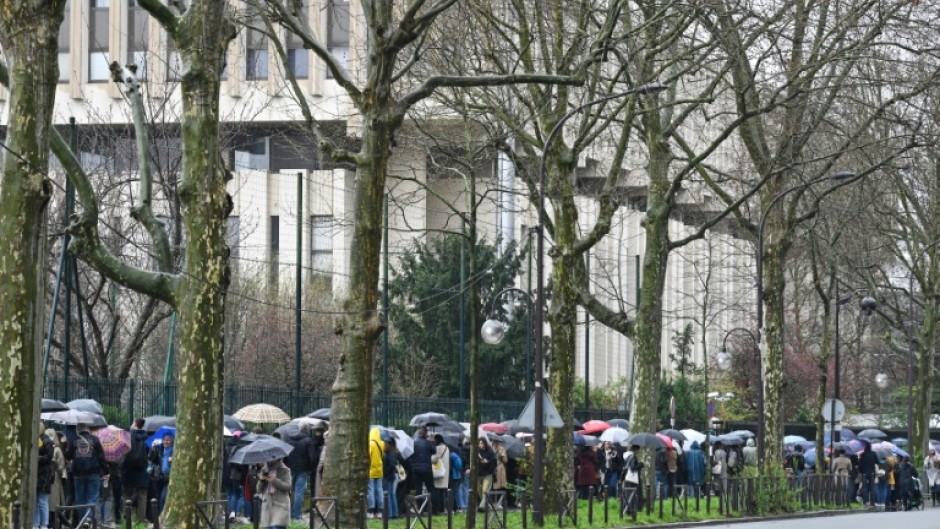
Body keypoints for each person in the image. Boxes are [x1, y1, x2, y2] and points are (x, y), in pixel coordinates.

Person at [66, 422, 108, 522]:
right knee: (92, 498)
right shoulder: (95, 439)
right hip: (93, 472)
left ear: (77, 431)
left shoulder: (74, 440)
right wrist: (106, 470)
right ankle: (88, 520)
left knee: (80, 499)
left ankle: (82, 522)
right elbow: (102, 457)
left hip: (78, 473)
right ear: (87, 429)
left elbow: (68, 456)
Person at [284, 423, 317, 521]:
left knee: (288, 492)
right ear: (307, 430)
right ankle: (296, 514)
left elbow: (285, 454)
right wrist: (311, 468)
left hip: (290, 468)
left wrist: (286, 465)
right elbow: (312, 457)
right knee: (299, 492)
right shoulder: (308, 440)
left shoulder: (288, 439)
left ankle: (287, 513)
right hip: (303, 469)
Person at [123, 419, 151, 525]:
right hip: (143, 470)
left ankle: (127, 519)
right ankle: (141, 520)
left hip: (128, 470)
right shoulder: (147, 438)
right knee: (142, 496)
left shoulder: (127, 436)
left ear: (134, 424)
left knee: (126, 494)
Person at [257, 458, 292, 529]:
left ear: (277, 458)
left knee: (277, 526)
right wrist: (261, 480)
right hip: (267, 505)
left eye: (272, 458)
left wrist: (274, 480)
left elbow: (288, 487)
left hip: (280, 504)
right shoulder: (264, 470)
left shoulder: (285, 470)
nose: (269, 460)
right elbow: (258, 490)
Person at [148, 434, 174, 517]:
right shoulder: (159, 449)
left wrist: (173, 460)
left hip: (168, 478)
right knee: (157, 498)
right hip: (158, 477)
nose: (166, 442)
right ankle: (157, 518)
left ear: (171, 441)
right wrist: (152, 448)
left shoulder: (174, 450)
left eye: (168, 440)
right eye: (164, 440)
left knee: (163, 498)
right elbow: (150, 458)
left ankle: (161, 516)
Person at [36, 423, 54, 529]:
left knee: (42, 501)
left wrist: (37, 458)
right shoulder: (40, 439)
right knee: (37, 501)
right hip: (39, 474)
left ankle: (44, 524)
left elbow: (48, 457)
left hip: (44, 475)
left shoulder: (46, 440)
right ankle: (36, 523)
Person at [410, 428, 435, 504]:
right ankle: (433, 508)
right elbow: (434, 451)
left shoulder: (413, 442)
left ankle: (420, 507)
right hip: (426, 468)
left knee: (418, 489)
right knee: (430, 488)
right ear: (425, 433)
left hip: (416, 469)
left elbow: (411, 455)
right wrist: (432, 441)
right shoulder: (428, 442)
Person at [367, 427, 385, 518]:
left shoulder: (370, 444)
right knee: (379, 490)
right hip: (379, 470)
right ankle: (380, 510)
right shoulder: (382, 444)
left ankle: (371, 510)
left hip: (371, 470)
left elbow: (368, 457)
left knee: (370, 490)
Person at [431, 434, 450, 514]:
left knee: (438, 492)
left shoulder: (437, 448)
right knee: (443, 492)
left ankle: (439, 508)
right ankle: (443, 508)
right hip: (445, 472)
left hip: (438, 471)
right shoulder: (446, 448)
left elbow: (434, 460)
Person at [622, 445, 644, 514]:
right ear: (635, 449)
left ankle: (627, 509)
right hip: (632, 478)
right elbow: (633, 467)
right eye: (638, 450)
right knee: (632, 493)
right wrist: (640, 465)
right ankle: (631, 509)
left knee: (628, 493)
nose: (638, 452)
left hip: (627, 478)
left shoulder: (626, 456)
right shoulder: (632, 456)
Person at [477, 438, 496, 510]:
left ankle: (481, 506)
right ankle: (486, 504)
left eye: (481, 443)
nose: (480, 445)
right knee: (479, 490)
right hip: (479, 474)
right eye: (479, 443)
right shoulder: (477, 452)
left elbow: (494, 464)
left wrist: (487, 462)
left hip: (488, 473)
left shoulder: (490, 452)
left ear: (485, 444)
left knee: (485, 490)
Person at [383, 439, 400, 518]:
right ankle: (394, 513)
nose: (384, 446)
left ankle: (389, 513)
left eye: (385, 444)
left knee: (388, 495)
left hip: (388, 476)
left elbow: (392, 463)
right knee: (392, 495)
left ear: (389, 445)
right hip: (391, 476)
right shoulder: (392, 453)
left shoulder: (390, 453)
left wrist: (385, 472)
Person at [858, 440, 877, 506]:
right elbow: (877, 461)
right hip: (872, 473)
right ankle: (872, 502)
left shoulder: (862, 455)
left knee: (865, 488)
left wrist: (860, 471)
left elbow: (860, 465)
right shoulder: (873, 454)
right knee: (872, 488)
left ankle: (865, 501)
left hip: (864, 473)